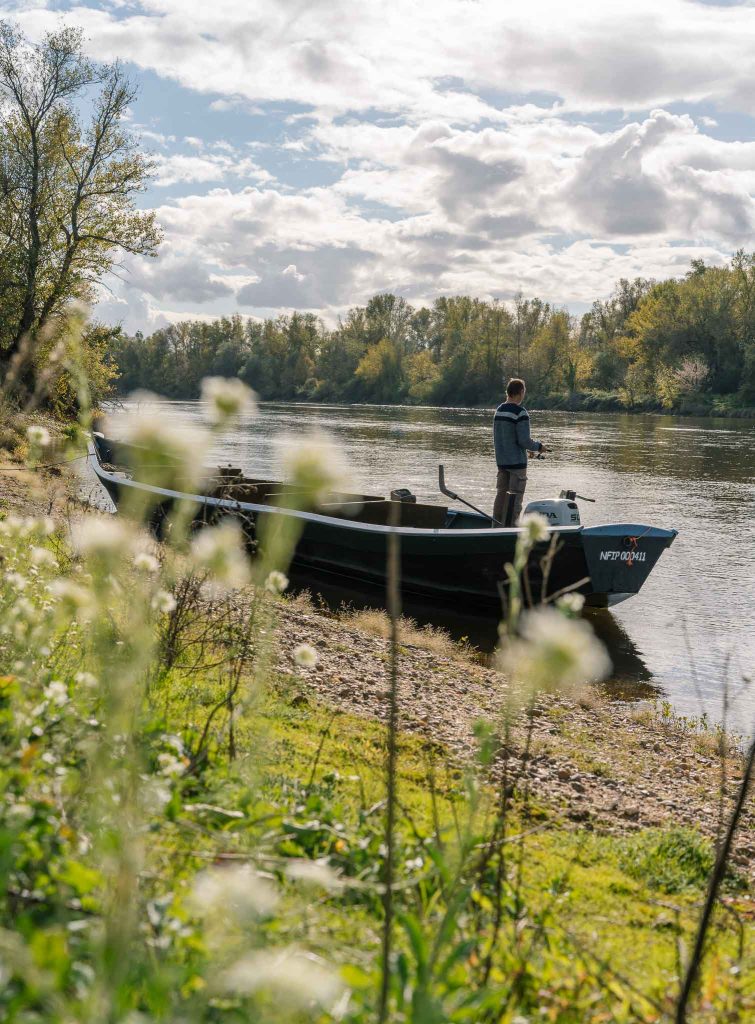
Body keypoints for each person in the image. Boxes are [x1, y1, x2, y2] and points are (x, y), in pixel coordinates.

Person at [493, 378, 546, 525]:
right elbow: (524, 441)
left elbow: (505, 438)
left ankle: (494, 528)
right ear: (521, 392)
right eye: (524, 392)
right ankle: (510, 533)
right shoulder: (521, 412)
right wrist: (539, 447)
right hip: (517, 465)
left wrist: (525, 449)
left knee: (501, 498)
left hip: (501, 463)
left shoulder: (499, 410)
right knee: (515, 502)